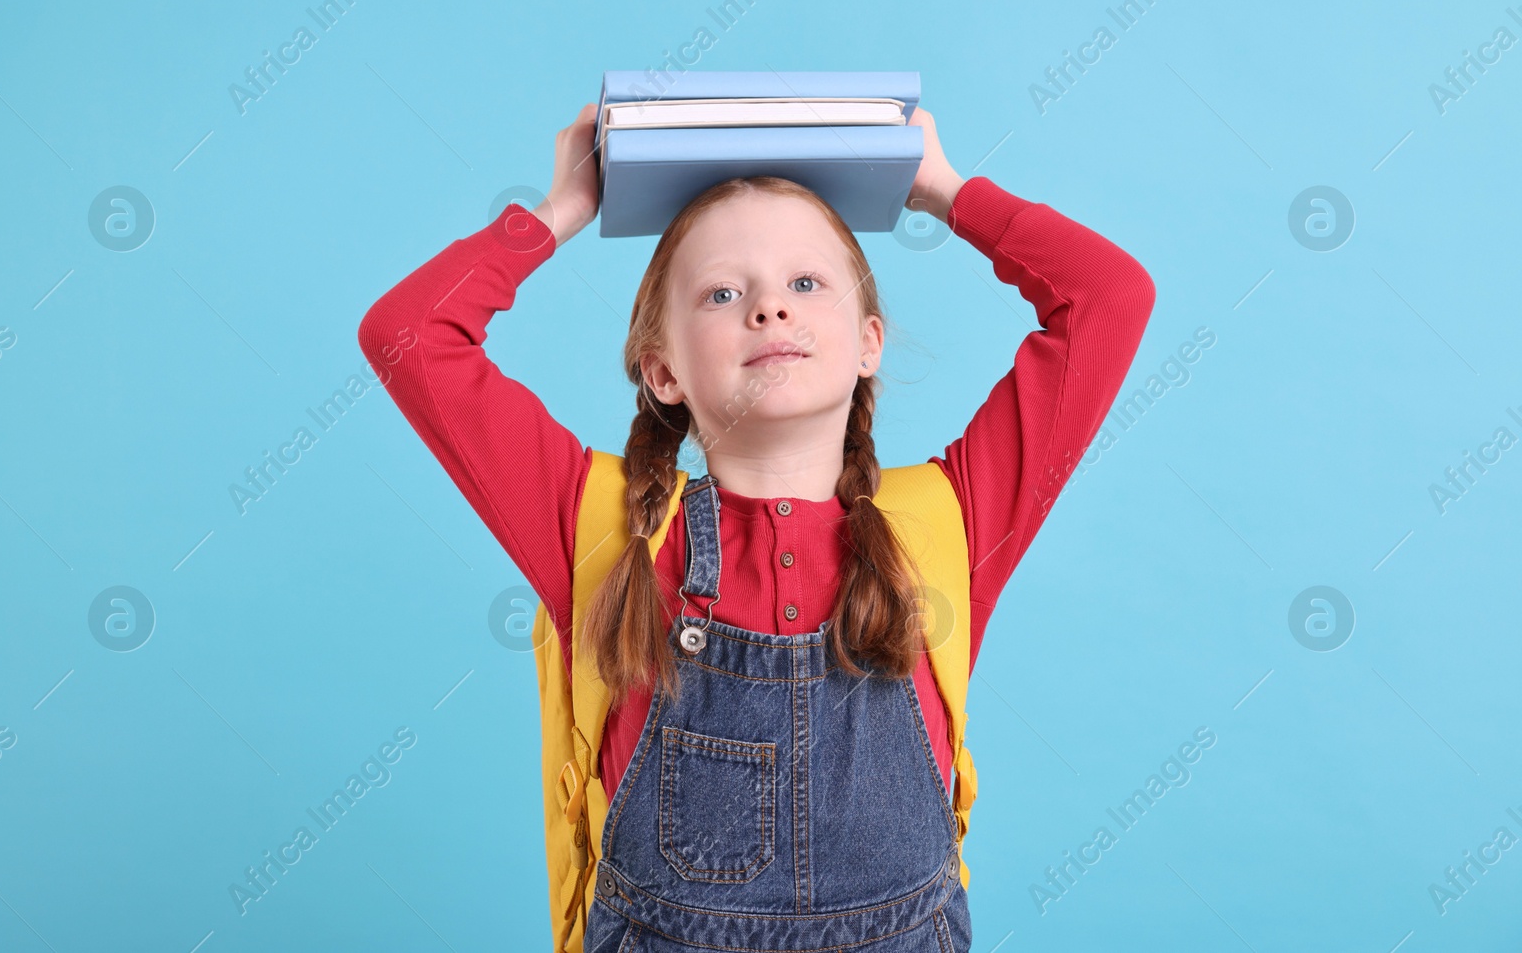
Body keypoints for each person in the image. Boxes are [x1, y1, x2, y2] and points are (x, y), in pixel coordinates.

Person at [357, 101, 1155, 949]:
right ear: (662, 368)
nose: (770, 308)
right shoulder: (598, 523)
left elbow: (1108, 298)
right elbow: (407, 335)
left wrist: (942, 188)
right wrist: (562, 210)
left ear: (868, 341)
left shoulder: (949, 521)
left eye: (806, 283)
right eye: (722, 291)